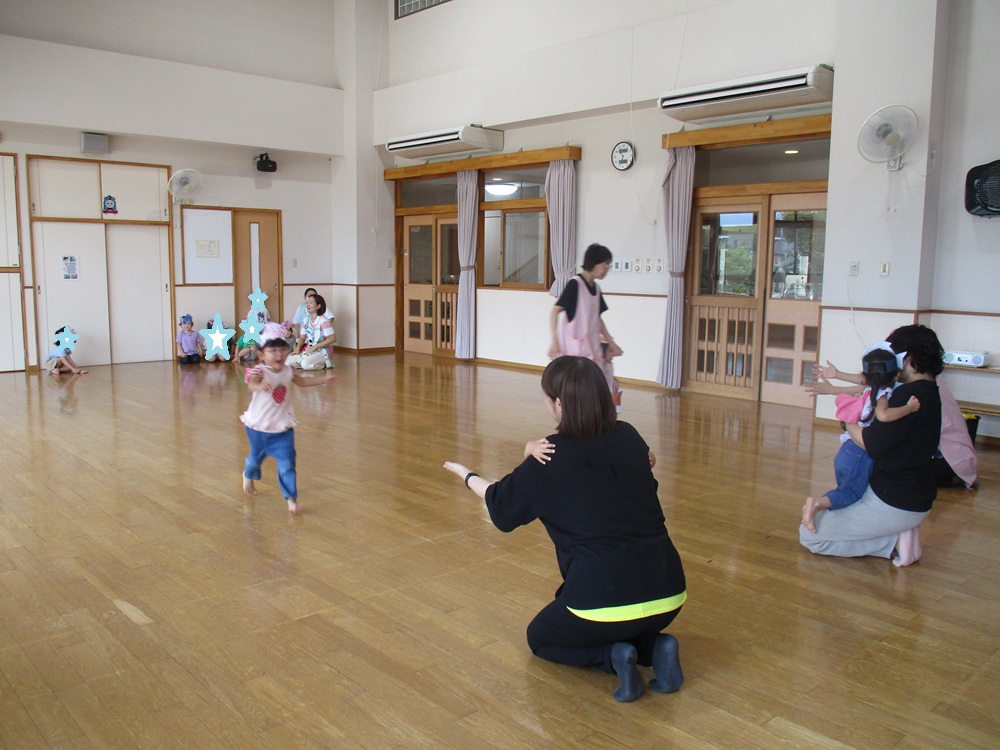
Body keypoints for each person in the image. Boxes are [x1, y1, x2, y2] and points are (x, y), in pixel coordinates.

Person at [444, 356, 686, 702]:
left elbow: (501, 506)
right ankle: (656, 647)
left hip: (601, 598)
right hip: (670, 592)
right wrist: (529, 448)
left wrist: (467, 475)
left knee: (540, 638)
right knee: (621, 616)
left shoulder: (549, 456)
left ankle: (614, 657)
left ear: (558, 404)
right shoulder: (630, 437)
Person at [800, 325, 944, 567]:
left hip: (895, 500)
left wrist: (847, 419)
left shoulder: (906, 398)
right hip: (913, 494)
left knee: (811, 536)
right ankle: (898, 534)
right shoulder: (929, 392)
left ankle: (894, 542)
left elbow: (870, 443)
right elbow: (865, 385)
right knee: (832, 507)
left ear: (909, 360)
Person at [801, 344, 920, 533]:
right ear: (896, 375)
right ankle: (817, 504)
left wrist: (837, 377)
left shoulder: (868, 390)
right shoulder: (884, 395)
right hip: (859, 455)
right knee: (850, 493)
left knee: (846, 489)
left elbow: (860, 382)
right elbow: (883, 415)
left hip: (846, 450)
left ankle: (832, 515)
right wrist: (909, 408)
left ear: (865, 376)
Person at [241, 322, 335, 514]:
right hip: (258, 428)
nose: (279, 354)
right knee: (254, 460)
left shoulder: (289, 370)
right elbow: (252, 383)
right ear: (261, 355)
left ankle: (291, 500)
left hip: (282, 428)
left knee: (287, 463)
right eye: (273, 350)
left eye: (282, 349)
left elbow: (302, 381)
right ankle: (248, 475)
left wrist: (324, 379)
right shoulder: (259, 371)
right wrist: (258, 386)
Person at [548, 243, 623, 390]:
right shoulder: (575, 284)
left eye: (609, 265)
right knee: (575, 388)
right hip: (574, 350)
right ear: (593, 262)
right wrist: (554, 341)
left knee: (593, 387)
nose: (606, 269)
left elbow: (597, 319)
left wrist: (611, 342)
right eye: (604, 264)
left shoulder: (596, 289)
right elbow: (554, 311)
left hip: (592, 348)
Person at [288, 293, 336, 370]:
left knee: (305, 364)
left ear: (318, 306)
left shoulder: (324, 320)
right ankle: (307, 362)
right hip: (309, 350)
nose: (307, 305)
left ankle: (324, 364)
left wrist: (315, 347)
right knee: (287, 362)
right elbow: (302, 337)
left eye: (311, 303)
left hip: (323, 351)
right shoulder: (306, 320)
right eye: (307, 302)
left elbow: (332, 338)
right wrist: (297, 349)